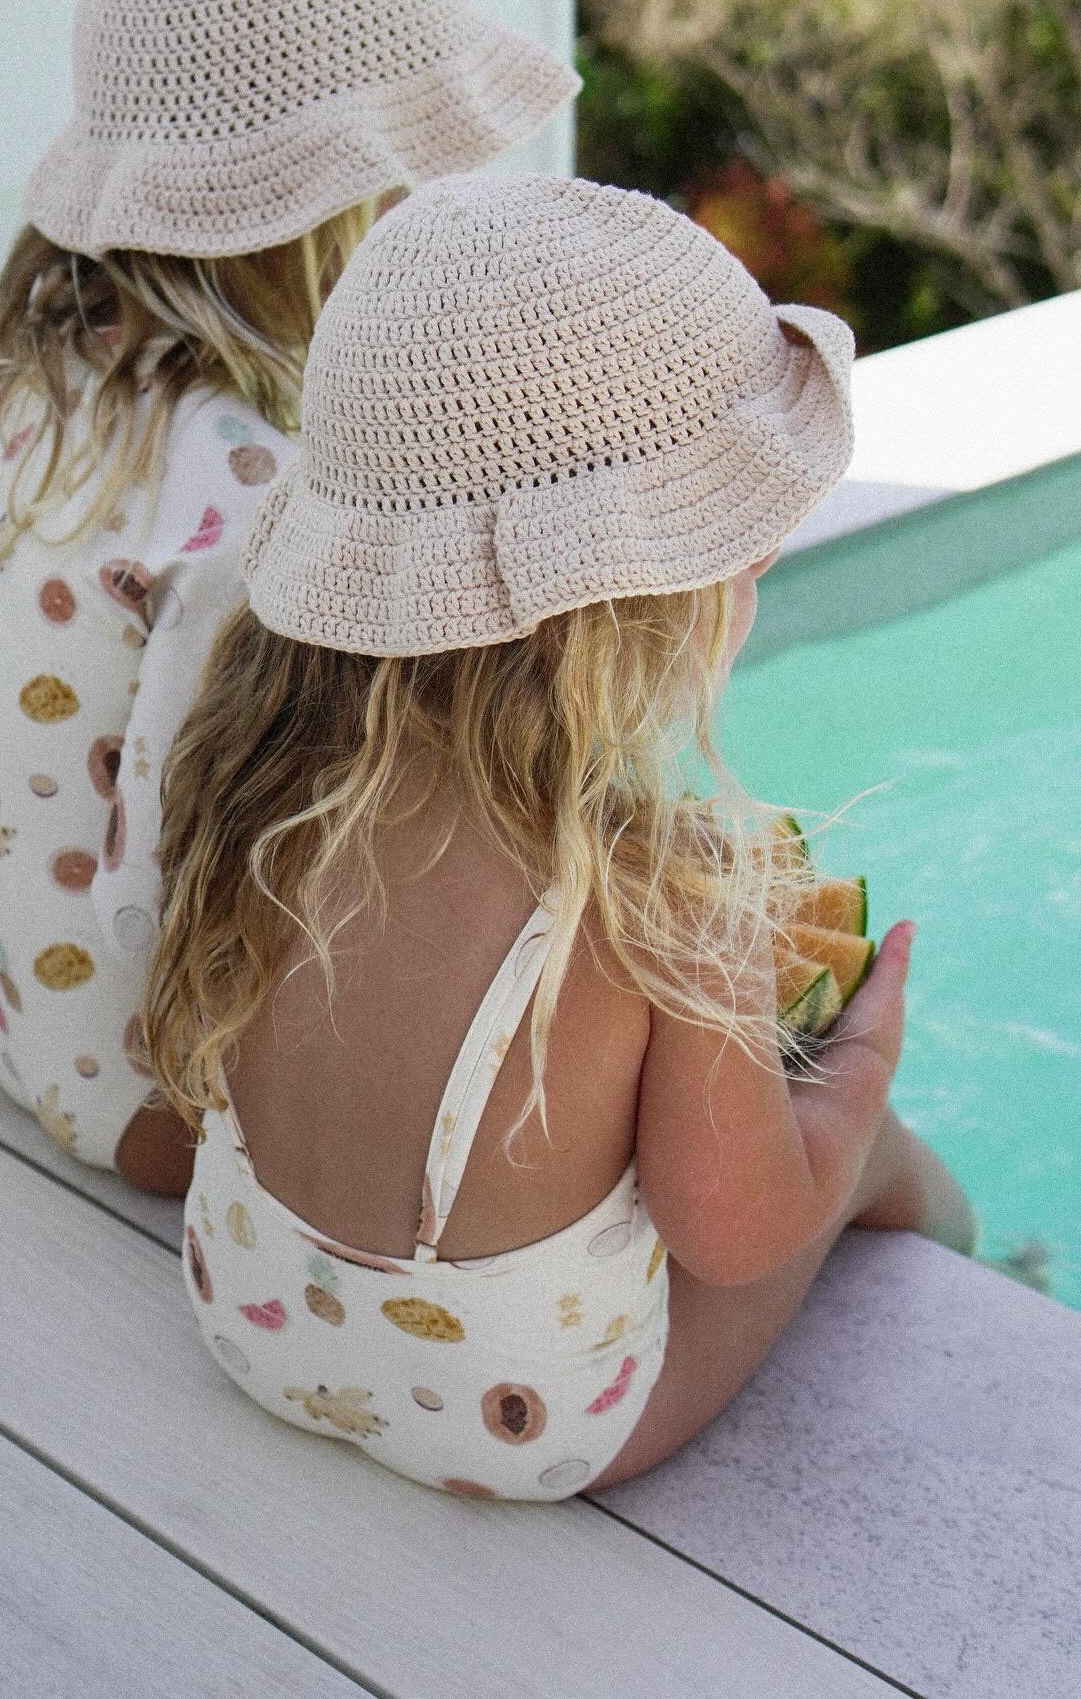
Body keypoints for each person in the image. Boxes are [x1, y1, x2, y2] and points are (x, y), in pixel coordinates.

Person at [142, 173, 975, 1498]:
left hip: (246, 1317)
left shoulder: (256, 784)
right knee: (867, 1160)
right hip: (517, 1422)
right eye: (737, 540)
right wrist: (857, 1070)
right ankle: (971, 1267)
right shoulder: (654, 905)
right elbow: (735, 1231)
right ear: (636, 601)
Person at [0, 0, 577, 1186]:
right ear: (315, 215)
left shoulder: (72, 359)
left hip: (23, 1025)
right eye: (392, 184)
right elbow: (180, 876)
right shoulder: (246, 492)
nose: (412, 211)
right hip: (167, 1100)